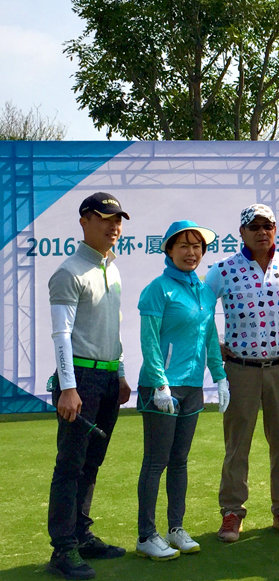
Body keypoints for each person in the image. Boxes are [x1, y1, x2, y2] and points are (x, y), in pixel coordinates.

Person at [46, 192, 132, 581]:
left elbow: (113, 328)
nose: (114, 227)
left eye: (118, 220)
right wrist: (68, 388)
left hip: (107, 377)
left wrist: (120, 372)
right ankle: (63, 548)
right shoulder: (69, 272)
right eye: (105, 218)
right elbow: (61, 335)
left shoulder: (112, 268)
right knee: (70, 465)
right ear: (84, 221)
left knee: (91, 462)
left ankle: (81, 535)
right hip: (79, 379)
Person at [205, 204, 279, 542]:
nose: (262, 232)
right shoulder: (223, 269)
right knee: (237, 444)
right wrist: (215, 345)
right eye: (255, 226)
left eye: (268, 226)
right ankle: (232, 512)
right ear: (242, 232)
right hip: (240, 370)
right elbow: (200, 310)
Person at [135, 220, 230, 560]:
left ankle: (175, 528)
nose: (191, 252)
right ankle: (146, 535)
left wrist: (220, 376)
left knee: (179, 461)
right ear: (169, 250)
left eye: (197, 246)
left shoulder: (204, 291)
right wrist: (160, 383)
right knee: (156, 462)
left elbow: (209, 338)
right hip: (161, 388)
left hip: (192, 388)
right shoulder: (158, 289)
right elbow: (149, 341)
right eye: (184, 246)